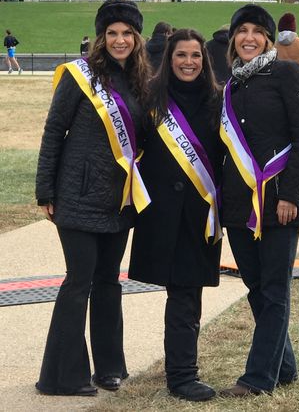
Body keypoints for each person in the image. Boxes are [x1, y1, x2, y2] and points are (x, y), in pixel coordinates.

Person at [35, 0, 151, 396]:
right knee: (78, 281)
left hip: (118, 201)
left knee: (108, 282)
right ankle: (62, 376)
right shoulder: (78, 76)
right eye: (112, 33)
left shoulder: (141, 81)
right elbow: (54, 132)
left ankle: (109, 368)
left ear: (137, 38)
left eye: (127, 34)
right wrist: (45, 191)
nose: (120, 40)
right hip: (78, 196)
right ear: (101, 38)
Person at [219, 4, 299, 397]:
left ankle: (258, 378)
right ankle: (284, 367)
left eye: (258, 31)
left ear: (269, 39)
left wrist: (291, 194)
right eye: (242, 30)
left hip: (278, 204)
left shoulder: (288, 73)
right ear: (233, 38)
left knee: (275, 289)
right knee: (257, 288)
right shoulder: (231, 85)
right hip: (241, 206)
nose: (249, 38)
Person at [128, 29, 224, 402]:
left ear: (205, 60)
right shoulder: (150, 99)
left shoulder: (218, 100)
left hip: (199, 215)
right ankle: (174, 372)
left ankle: (182, 374)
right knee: (180, 293)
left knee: (187, 294)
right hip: (161, 215)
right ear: (169, 60)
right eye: (181, 55)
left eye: (195, 56)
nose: (188, 62)